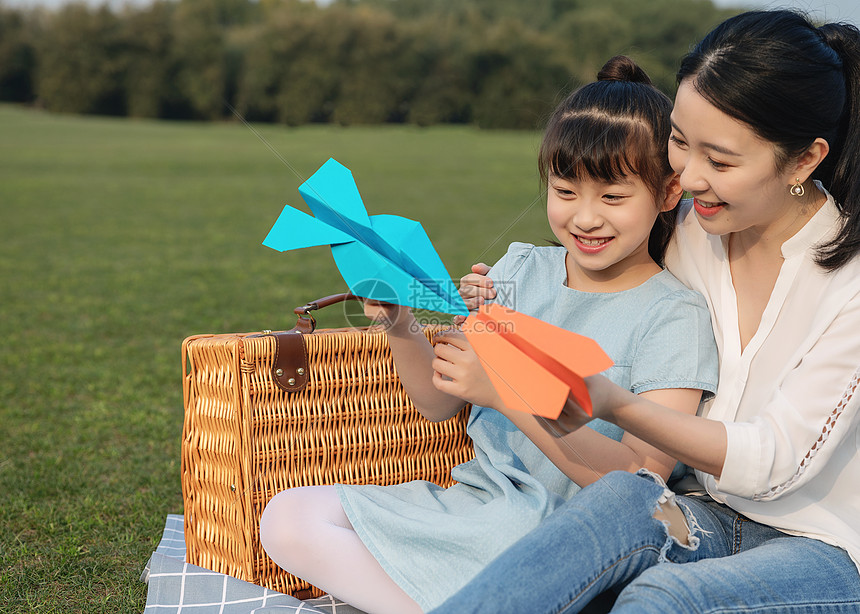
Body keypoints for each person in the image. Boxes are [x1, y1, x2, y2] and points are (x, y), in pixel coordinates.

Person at [433, 9, 860, 614]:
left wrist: (615, 403)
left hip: (830, 549)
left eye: (721, 160)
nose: (685, 176)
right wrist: (495, 304)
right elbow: (589, 268)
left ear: (801, 162)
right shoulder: (690, 228)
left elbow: (773, 462)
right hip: (705, 512)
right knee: (618, 500)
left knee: (663, 597)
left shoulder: (851, 284)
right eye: (680, 142)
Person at [258, 56, 719, 614]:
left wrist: (502, 389)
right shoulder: (521, 270)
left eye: (613, 197)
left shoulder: (674, 315)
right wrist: (401, 322)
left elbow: (639, 485)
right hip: (478, 504)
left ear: (669, 193)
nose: (585, 217)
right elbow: (437, 402)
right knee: (287, 519)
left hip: (571, 537)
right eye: (565, 191)